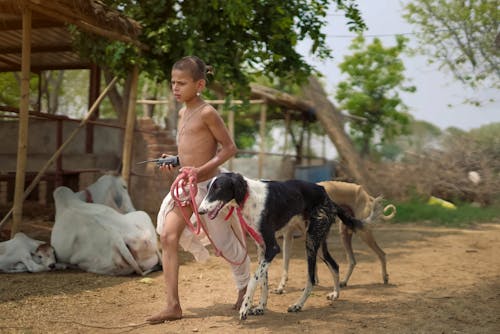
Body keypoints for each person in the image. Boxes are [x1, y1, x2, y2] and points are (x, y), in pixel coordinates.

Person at [147, 56, 251, 324]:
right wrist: (175, 160)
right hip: (185, 186)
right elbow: (191, 154)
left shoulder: (208, 112)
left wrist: (200, 171)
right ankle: (173, 306)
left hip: (209, 188)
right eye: (173, 82)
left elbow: (229, 149)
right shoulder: (183, 112)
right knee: (168, 237)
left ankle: (245, 288)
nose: (175, 88)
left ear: (200, 84)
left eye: (182, 83)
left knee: (224, 243)